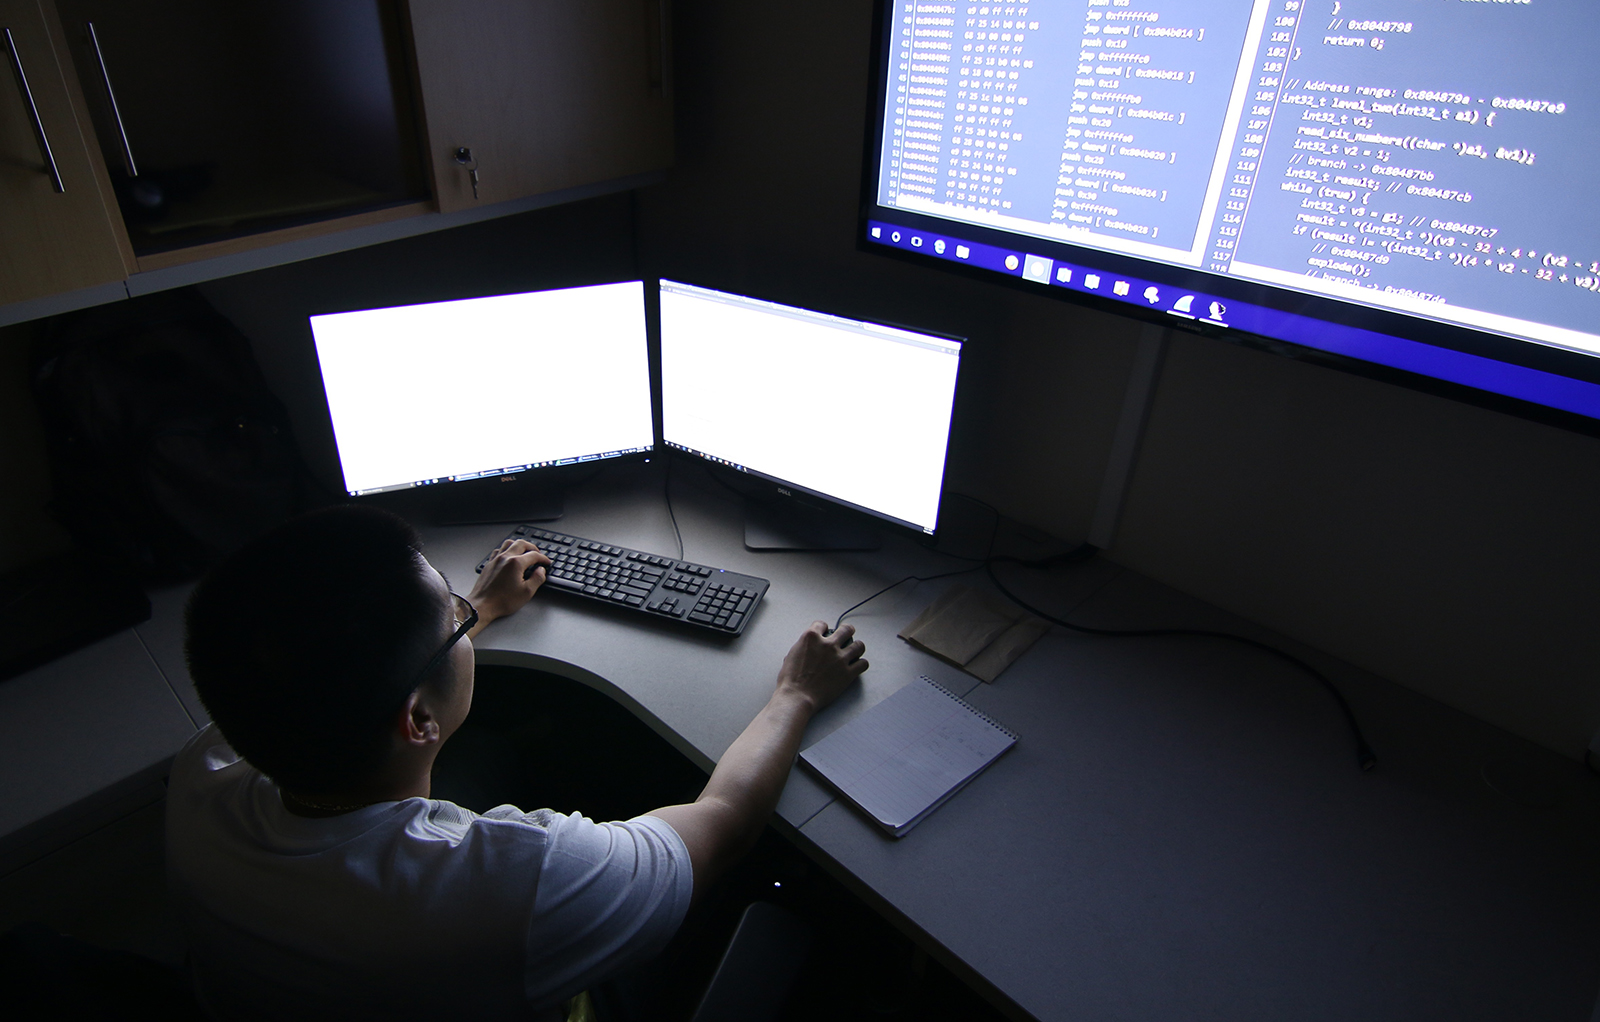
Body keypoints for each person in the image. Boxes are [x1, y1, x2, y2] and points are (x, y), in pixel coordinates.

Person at [167, 504, 868, 1021]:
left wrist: (476, 608)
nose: (463, 618)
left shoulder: (206, 769)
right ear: (417, 720)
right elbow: (727, 822)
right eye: (453, 620)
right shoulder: (525, 881)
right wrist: (797, 694)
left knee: (501, 751)